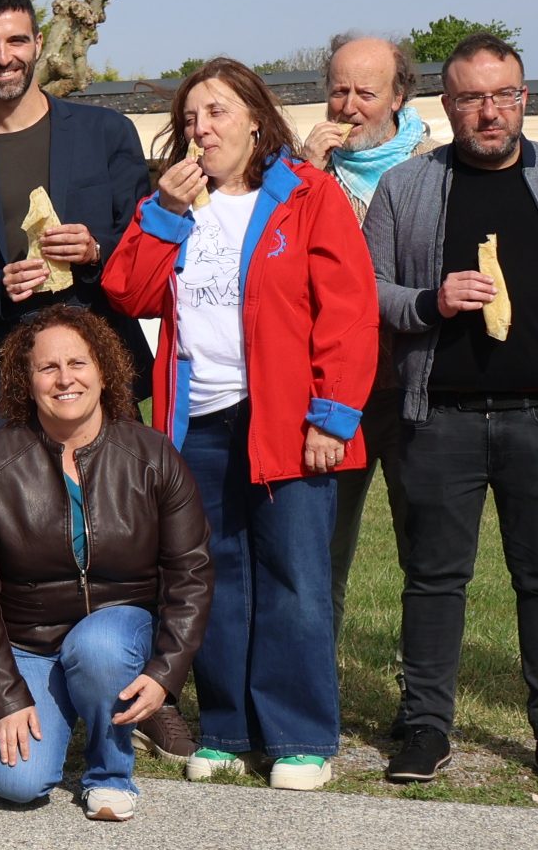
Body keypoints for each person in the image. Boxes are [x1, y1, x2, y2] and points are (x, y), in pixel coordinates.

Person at [362, 33, 538, 793]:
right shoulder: (406, 189)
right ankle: (425, 727)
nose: (490, 111)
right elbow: (368, 293)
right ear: (446, 106)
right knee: (432, 580)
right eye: (472, 98)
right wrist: (430, 301)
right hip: (438, 418)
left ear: (525, 98)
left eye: (504, 94)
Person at [104, 59, 377, 790]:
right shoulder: (171, 203)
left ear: (257, 118)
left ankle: (299, 737)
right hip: (200, 422)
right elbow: (127, 292)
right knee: (213, 577)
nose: (203, 129)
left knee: (294, 578)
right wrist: (160, 213)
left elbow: (348, 312)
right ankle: (226, 727)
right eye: (192, 118)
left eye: (218, 112)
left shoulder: (306, 194)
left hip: (290, 421)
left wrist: (334, 416)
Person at [0, 308, 210, 821]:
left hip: (118, 634)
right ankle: (68, 706)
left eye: (78, 362)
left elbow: (192, 573)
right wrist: (5, 696)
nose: (65, 378)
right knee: (17, 784)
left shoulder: (154, 457)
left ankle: (109, 773)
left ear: (103, 370)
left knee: (97, 646)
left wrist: (164, 673)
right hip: (30, 645)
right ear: (26, 382)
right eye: (48, 368)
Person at [0, 0, 154, 441]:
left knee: (112, 504)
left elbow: (142, 242)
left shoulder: (106, 132)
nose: (3, 57)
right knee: (11, 508)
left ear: (38, 45)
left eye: (16, 41)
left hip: (95, 353)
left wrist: (94, 250)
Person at [301, 31, 433, 622]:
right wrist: (307, 173)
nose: (348, 107)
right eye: (338, 91)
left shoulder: (434, 166)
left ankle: (422, 698)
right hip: (330, 394)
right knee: (319, 555)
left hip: (414, 388)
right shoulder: (304, 170)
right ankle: (316, 693)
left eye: (366, 93)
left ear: (400, 95)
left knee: (424, 555)